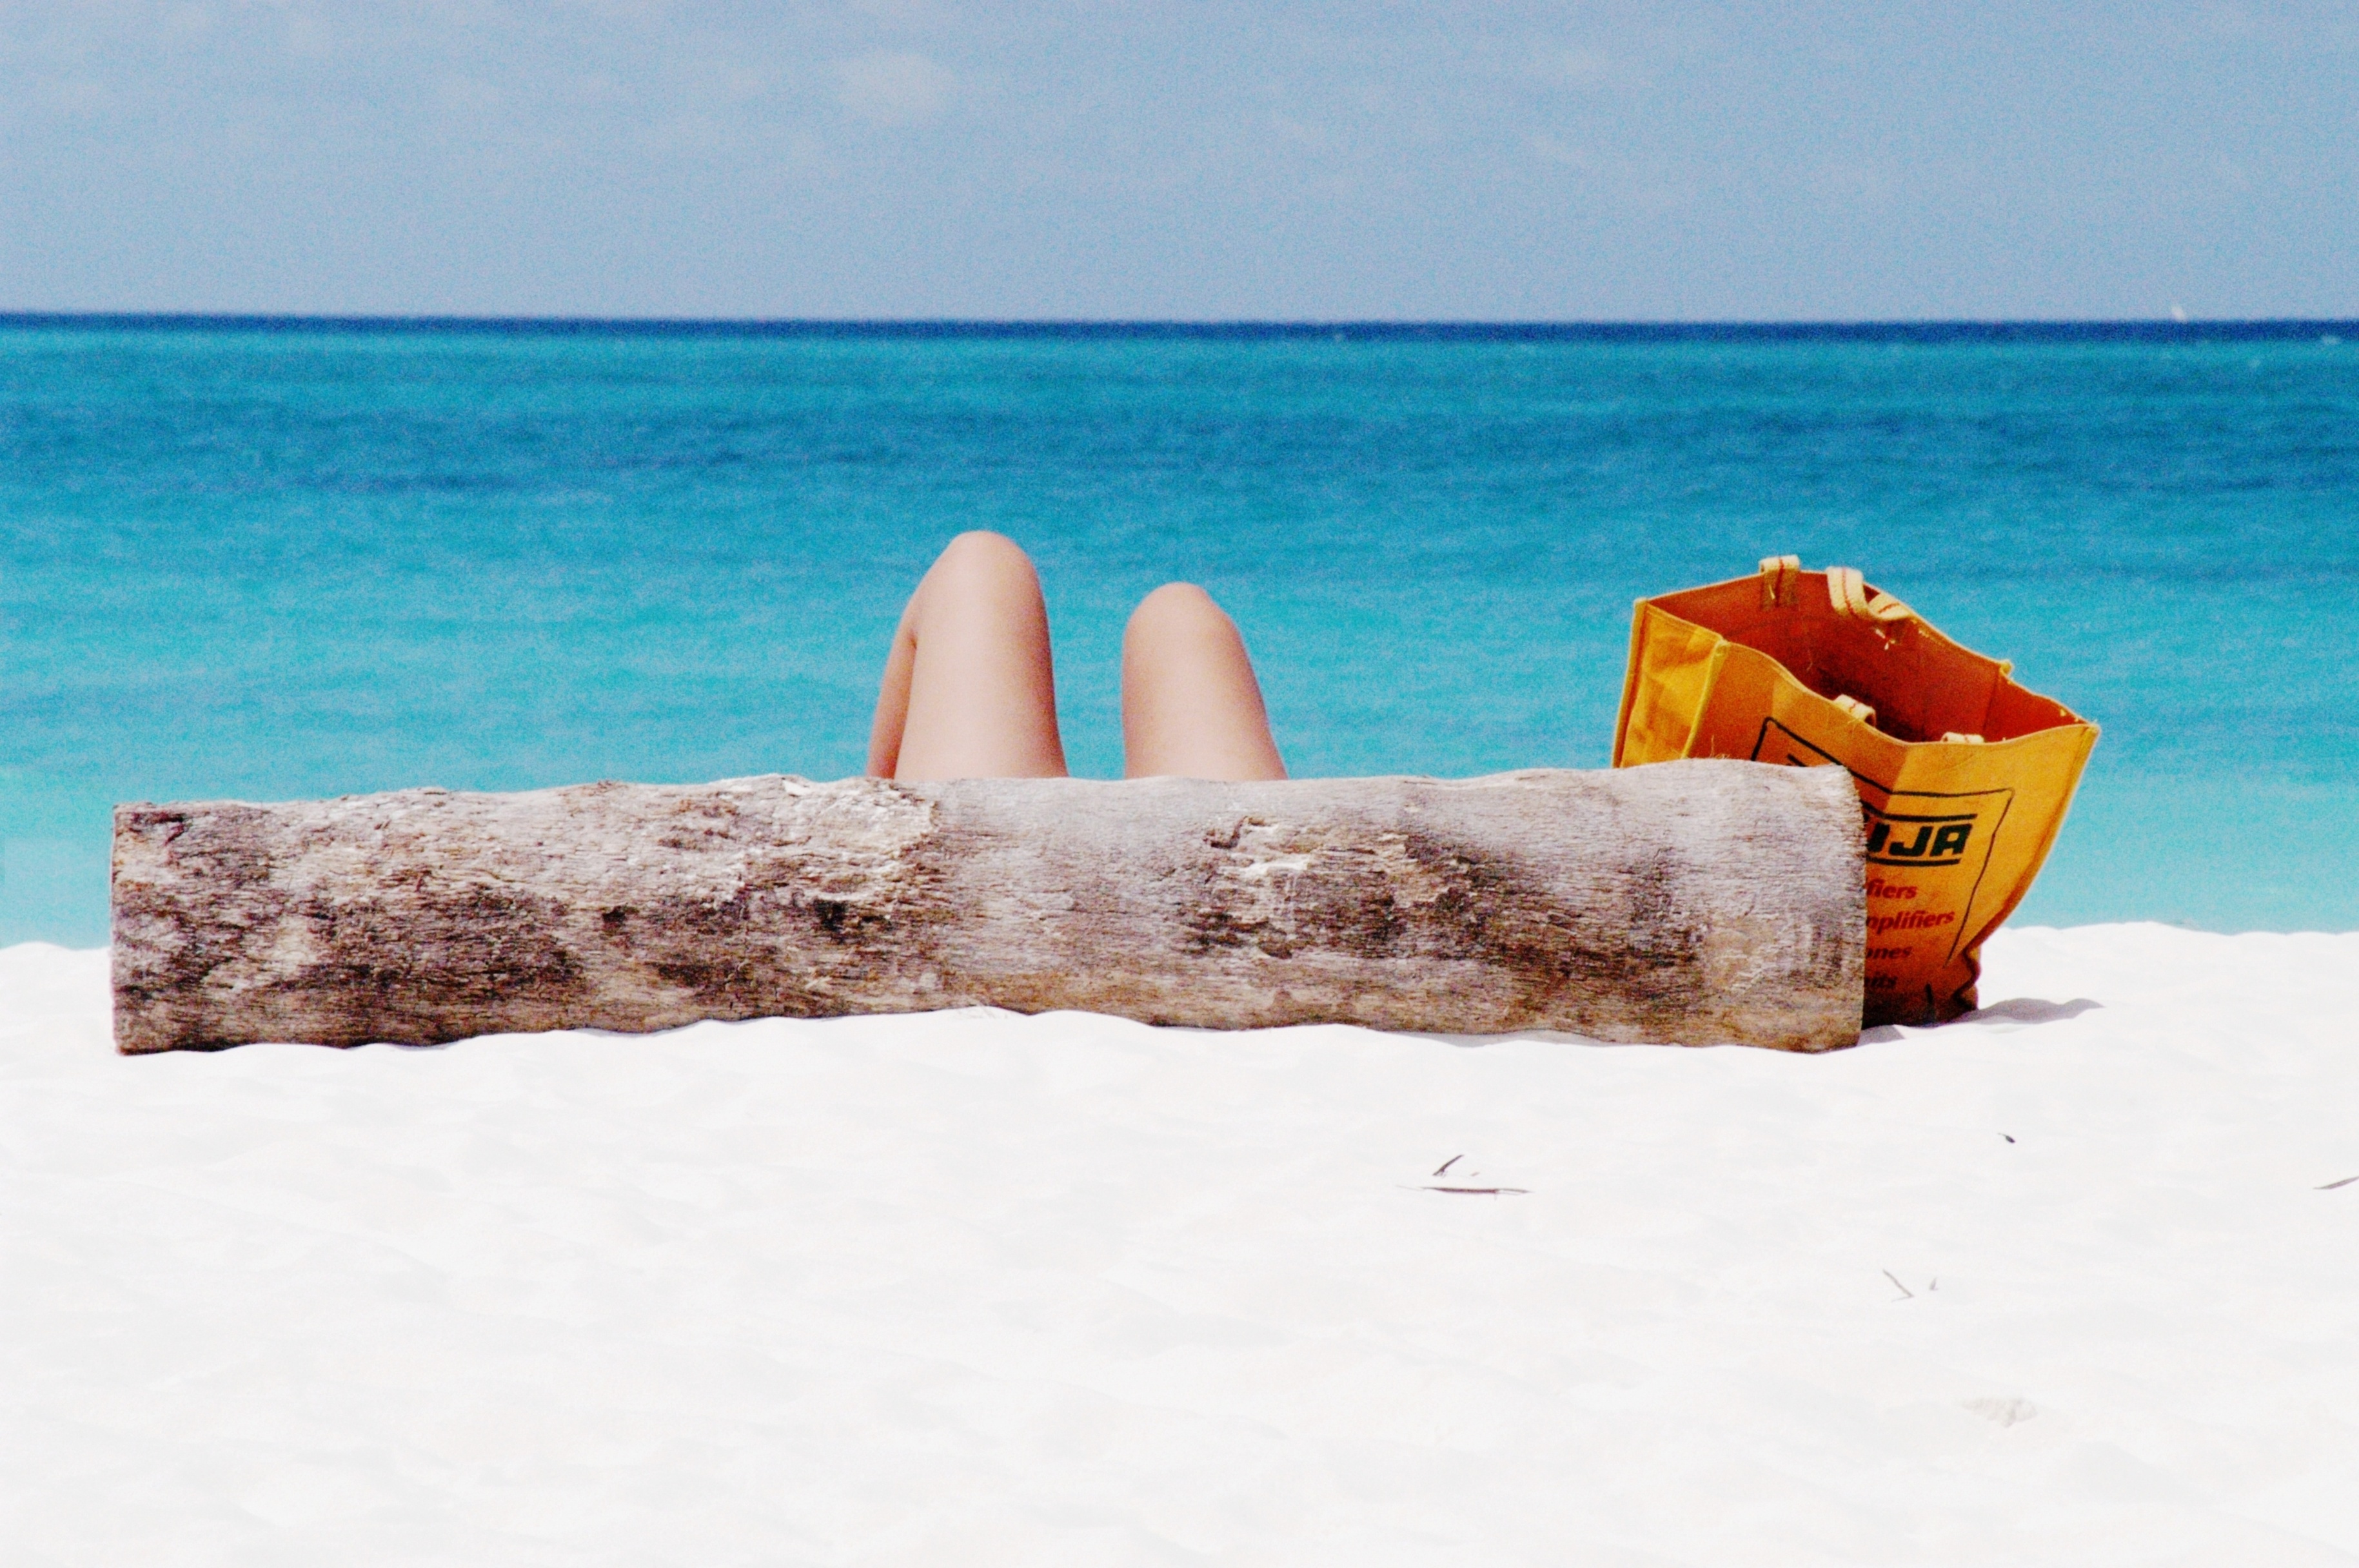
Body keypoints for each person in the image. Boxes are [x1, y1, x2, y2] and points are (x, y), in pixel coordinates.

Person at [867, 531, 1288, 783]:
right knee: (1179, 613)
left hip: (988, 899)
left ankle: (874, 826)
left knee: (979, 561)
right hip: (1234, 906)